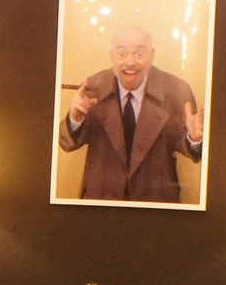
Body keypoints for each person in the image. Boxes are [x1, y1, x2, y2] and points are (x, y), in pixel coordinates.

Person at [56, 25, 203, 202]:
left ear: (152, 55)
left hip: (155, 201)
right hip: (102, 199)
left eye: (139, 54)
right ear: (112, 56)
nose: (130, 62)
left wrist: (195, 139)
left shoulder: (176, 90)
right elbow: (66, 143)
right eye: (122, 54)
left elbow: (193, 150)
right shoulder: (93, 87)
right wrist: (75, 119)